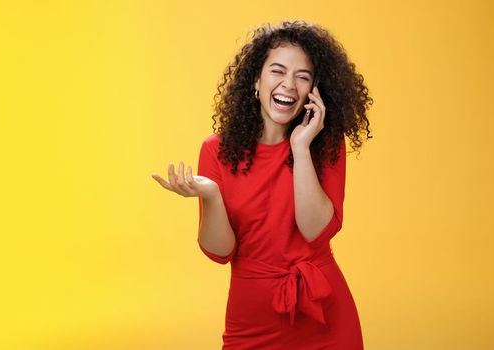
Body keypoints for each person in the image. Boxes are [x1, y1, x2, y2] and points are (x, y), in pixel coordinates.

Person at [151, 20, 373, 349]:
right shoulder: (217, 150)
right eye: (278, 71)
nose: (289, 85)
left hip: (324, 316)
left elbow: (315, 230)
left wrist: (300, 147)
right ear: (257, 79)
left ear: (314, 90)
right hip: (252, 319)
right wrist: (211, 195)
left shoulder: (324, 145)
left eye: (303, 77)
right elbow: (220, 251)